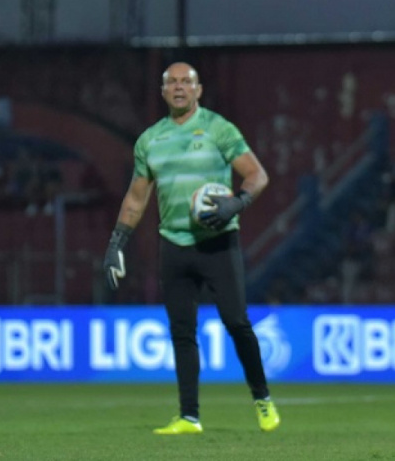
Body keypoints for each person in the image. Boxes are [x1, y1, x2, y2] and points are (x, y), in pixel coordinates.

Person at [102, 62, 280, 435]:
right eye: (173, 83)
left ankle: (262, 398)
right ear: (163, 92)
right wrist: (117, 242)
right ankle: (189, 417)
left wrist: (237, 203)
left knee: (236, 322)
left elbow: (257, 175)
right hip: (175, 245)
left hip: (218, 244)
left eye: (187, 82)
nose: (180, 88)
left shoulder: (219, 129)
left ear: (198, 91)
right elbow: (136, 199)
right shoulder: (150, 141)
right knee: (182, 331)